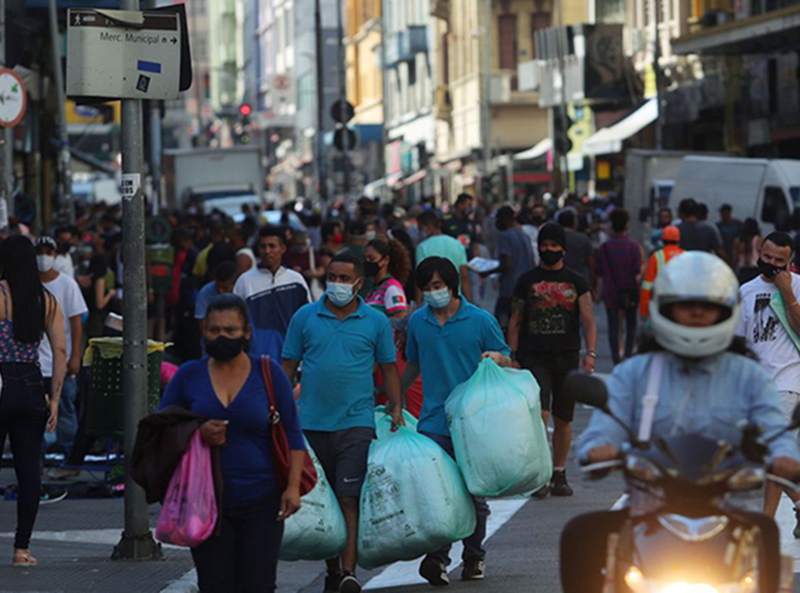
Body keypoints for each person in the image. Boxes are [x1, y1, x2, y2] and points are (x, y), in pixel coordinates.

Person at [566, 252, 800, 593]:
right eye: (685, 306)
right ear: (665, 308)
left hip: (723, 510)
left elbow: (773, 429)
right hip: (646, 509)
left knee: (765, 533)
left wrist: (784, 459)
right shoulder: (635, 372)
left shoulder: (748, 376)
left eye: (706, 307)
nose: (696, 315)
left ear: (724, 311)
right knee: (580, 534)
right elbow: (604, 426)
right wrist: (598, 450)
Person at [160, 294, 304, 593]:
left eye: (230, 330)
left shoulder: (269, 372)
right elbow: (162, 427)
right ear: (204, 331)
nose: (221, 337)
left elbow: (292, 432)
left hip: (263, 500)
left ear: (246, 333)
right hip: (205, 502)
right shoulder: (189, 375)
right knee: (215, 584)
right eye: (214, 330)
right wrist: (197, 431)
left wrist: (292, 488)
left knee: (259, 584)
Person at [282, 253, 403, 593]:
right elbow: (288, 366)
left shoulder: (375, 322)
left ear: (358, 284)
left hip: (356, 423)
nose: (336, 284)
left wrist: (396, 407)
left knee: (349, 497)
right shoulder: (305, 317)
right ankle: (333, 570)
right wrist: (277, 407)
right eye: (332, 277)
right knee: (327, 500)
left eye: (343, 278)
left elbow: (389, 367)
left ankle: (349, 573)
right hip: (310, 425)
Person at [400, 256, 512, 585]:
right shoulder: (418, 322)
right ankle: (437, 557)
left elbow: (506, 356)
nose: (432, 293)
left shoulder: (480, 320)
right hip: (434, 421)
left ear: (452, 285)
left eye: (438, 286)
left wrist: (498, 357)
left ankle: (474, 557)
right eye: (426, 288)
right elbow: (413, 366)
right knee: (438, 492)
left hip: (475, 422)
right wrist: (394, 400)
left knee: (474, 493)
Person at [507, 223, 597, 498]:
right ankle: (542, 473)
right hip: (534, 357)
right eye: (544, 246)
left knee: (563, 418)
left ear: (563, 250)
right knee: (540, 416)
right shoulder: (526, 281)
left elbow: (588, 319)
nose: (549, 250)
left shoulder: (577, 281)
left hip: (567, 357)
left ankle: (559, 472)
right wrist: (512, 356)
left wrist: (590, 354)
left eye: (554, 246)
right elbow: (515, 320)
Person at [0, 236, 67, 568]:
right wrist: (54, 399)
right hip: (31, 386)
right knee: (30, 472)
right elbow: (60, 352)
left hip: (0, 383)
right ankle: (21, 550)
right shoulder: (48, 301)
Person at [735, 231, 800, 529]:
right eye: (768, 257)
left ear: (790, 262)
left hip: (789, 382)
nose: (772, 264)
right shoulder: (745, 291)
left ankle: (765, 525)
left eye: (779, 261)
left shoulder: (798, 287)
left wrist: (787, 293)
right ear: (758, 253)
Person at [34, 237, 88, 455]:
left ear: (55, 255)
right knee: (36, 412)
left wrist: (75, 355)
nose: (44, 257)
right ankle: (39, 453)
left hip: (60, 361)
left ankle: (69, 454)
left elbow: (76, 322)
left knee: (65, 408)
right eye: (40, 252)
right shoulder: (27, 284)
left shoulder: (67, 284)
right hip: (34, 362)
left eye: (48, 252)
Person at [233, 226, 310, 362]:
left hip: (292, 360)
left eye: (272, 246)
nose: (267, 251)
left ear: (283, 249)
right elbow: (236, 320)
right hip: (256, 360)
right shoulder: (245, 281)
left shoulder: (296, 280)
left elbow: (308, 320)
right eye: (263, 246)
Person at [596, 209, 642, 364]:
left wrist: (597, 292)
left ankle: (616, 358)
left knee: (613, 327)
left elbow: (600, 271)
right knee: (631, 324)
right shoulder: (633, 246)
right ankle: (628, 354)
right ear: (627, 225)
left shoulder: (605, 247)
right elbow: (637, 269)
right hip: (630, 290)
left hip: (611, 292)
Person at [488, 206, 535, 327]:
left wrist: (487, 271)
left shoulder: (505, 236)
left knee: (500, 323)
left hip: (509, 287)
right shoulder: (524, 235)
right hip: (525, 286)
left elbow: (506, 264)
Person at [416, 211, 471, 301]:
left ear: (428, 227)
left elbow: (419, 278)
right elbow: (464, 276)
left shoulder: (423, 247)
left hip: (431, 300)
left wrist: (418, 302)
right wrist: (468, 301)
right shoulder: (457, 244)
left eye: (420, 229)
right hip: (454, 299)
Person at [639, 225, 683, 319]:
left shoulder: (656, 257)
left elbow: (647, 286)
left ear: (662, 240)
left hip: (662, 302)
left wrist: (644, 311)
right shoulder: (686, 255)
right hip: (681, 303)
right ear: (678, 239)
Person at [364, 238, 411, 318]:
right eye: (365, 258)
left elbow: (399, 321)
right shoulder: (374, 290)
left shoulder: (392, 288)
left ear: (385, 260)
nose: (367, 262)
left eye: (372, 258)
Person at [195, 261, 237, 333]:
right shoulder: (206, 292)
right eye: (217, 286)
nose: (220, 291)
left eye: (225, 288)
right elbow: (202, 322)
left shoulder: (243, 291)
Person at [557, 209, 594, 286]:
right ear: (574, 222)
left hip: (559, 282)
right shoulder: (583, 238)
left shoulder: (555, 239)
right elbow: (591, 262)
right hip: (581, 281)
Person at [734, 217, 762, 285]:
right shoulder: (758, 239)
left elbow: (735, 257)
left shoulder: (738, 241)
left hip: (742, 269)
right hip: (755, 269)